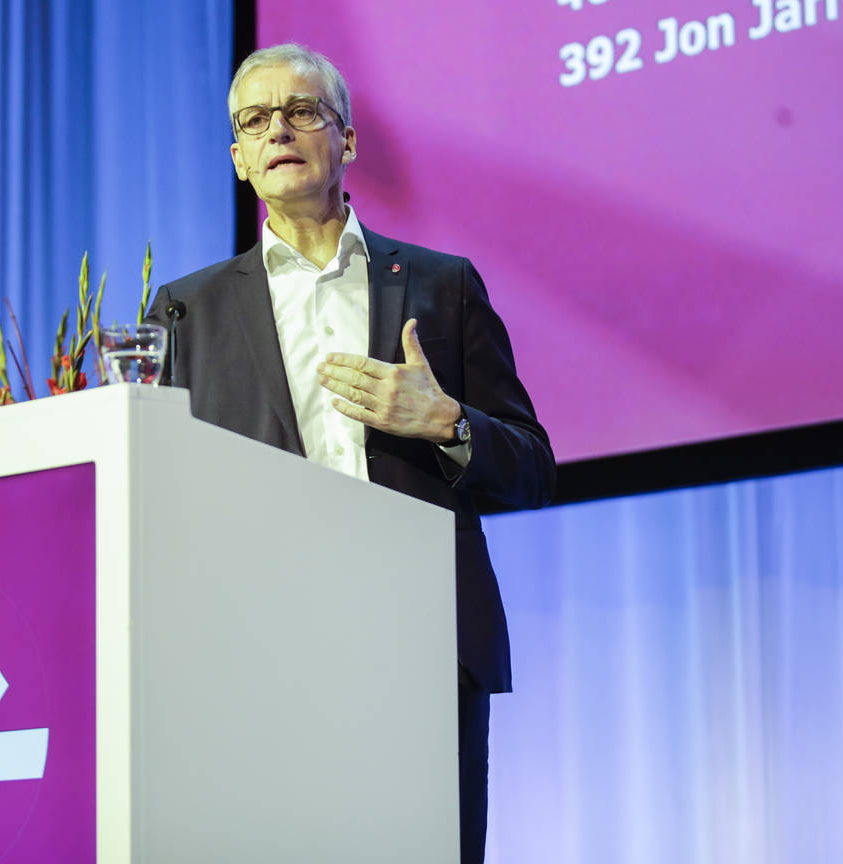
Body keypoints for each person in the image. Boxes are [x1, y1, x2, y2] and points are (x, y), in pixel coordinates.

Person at [147, 42, 555, 863]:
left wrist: (447, 421)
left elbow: (533, 467)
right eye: (255, 121)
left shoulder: (444, 286)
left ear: (348, 140)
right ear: (237, 158)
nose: (279, 131)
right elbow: (166, 496)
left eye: (302, 112)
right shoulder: (189, 310)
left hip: (424, 641)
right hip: (263, 650)